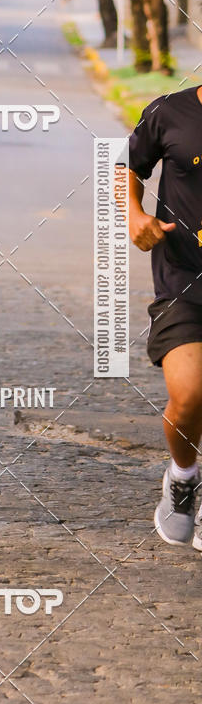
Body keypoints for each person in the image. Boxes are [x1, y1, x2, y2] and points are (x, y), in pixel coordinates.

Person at [129, 86, 202, 547]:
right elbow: (128, 166)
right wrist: (134, 214)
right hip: (183, 280)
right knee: (190, 394)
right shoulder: (169, 111)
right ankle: (183, 473)